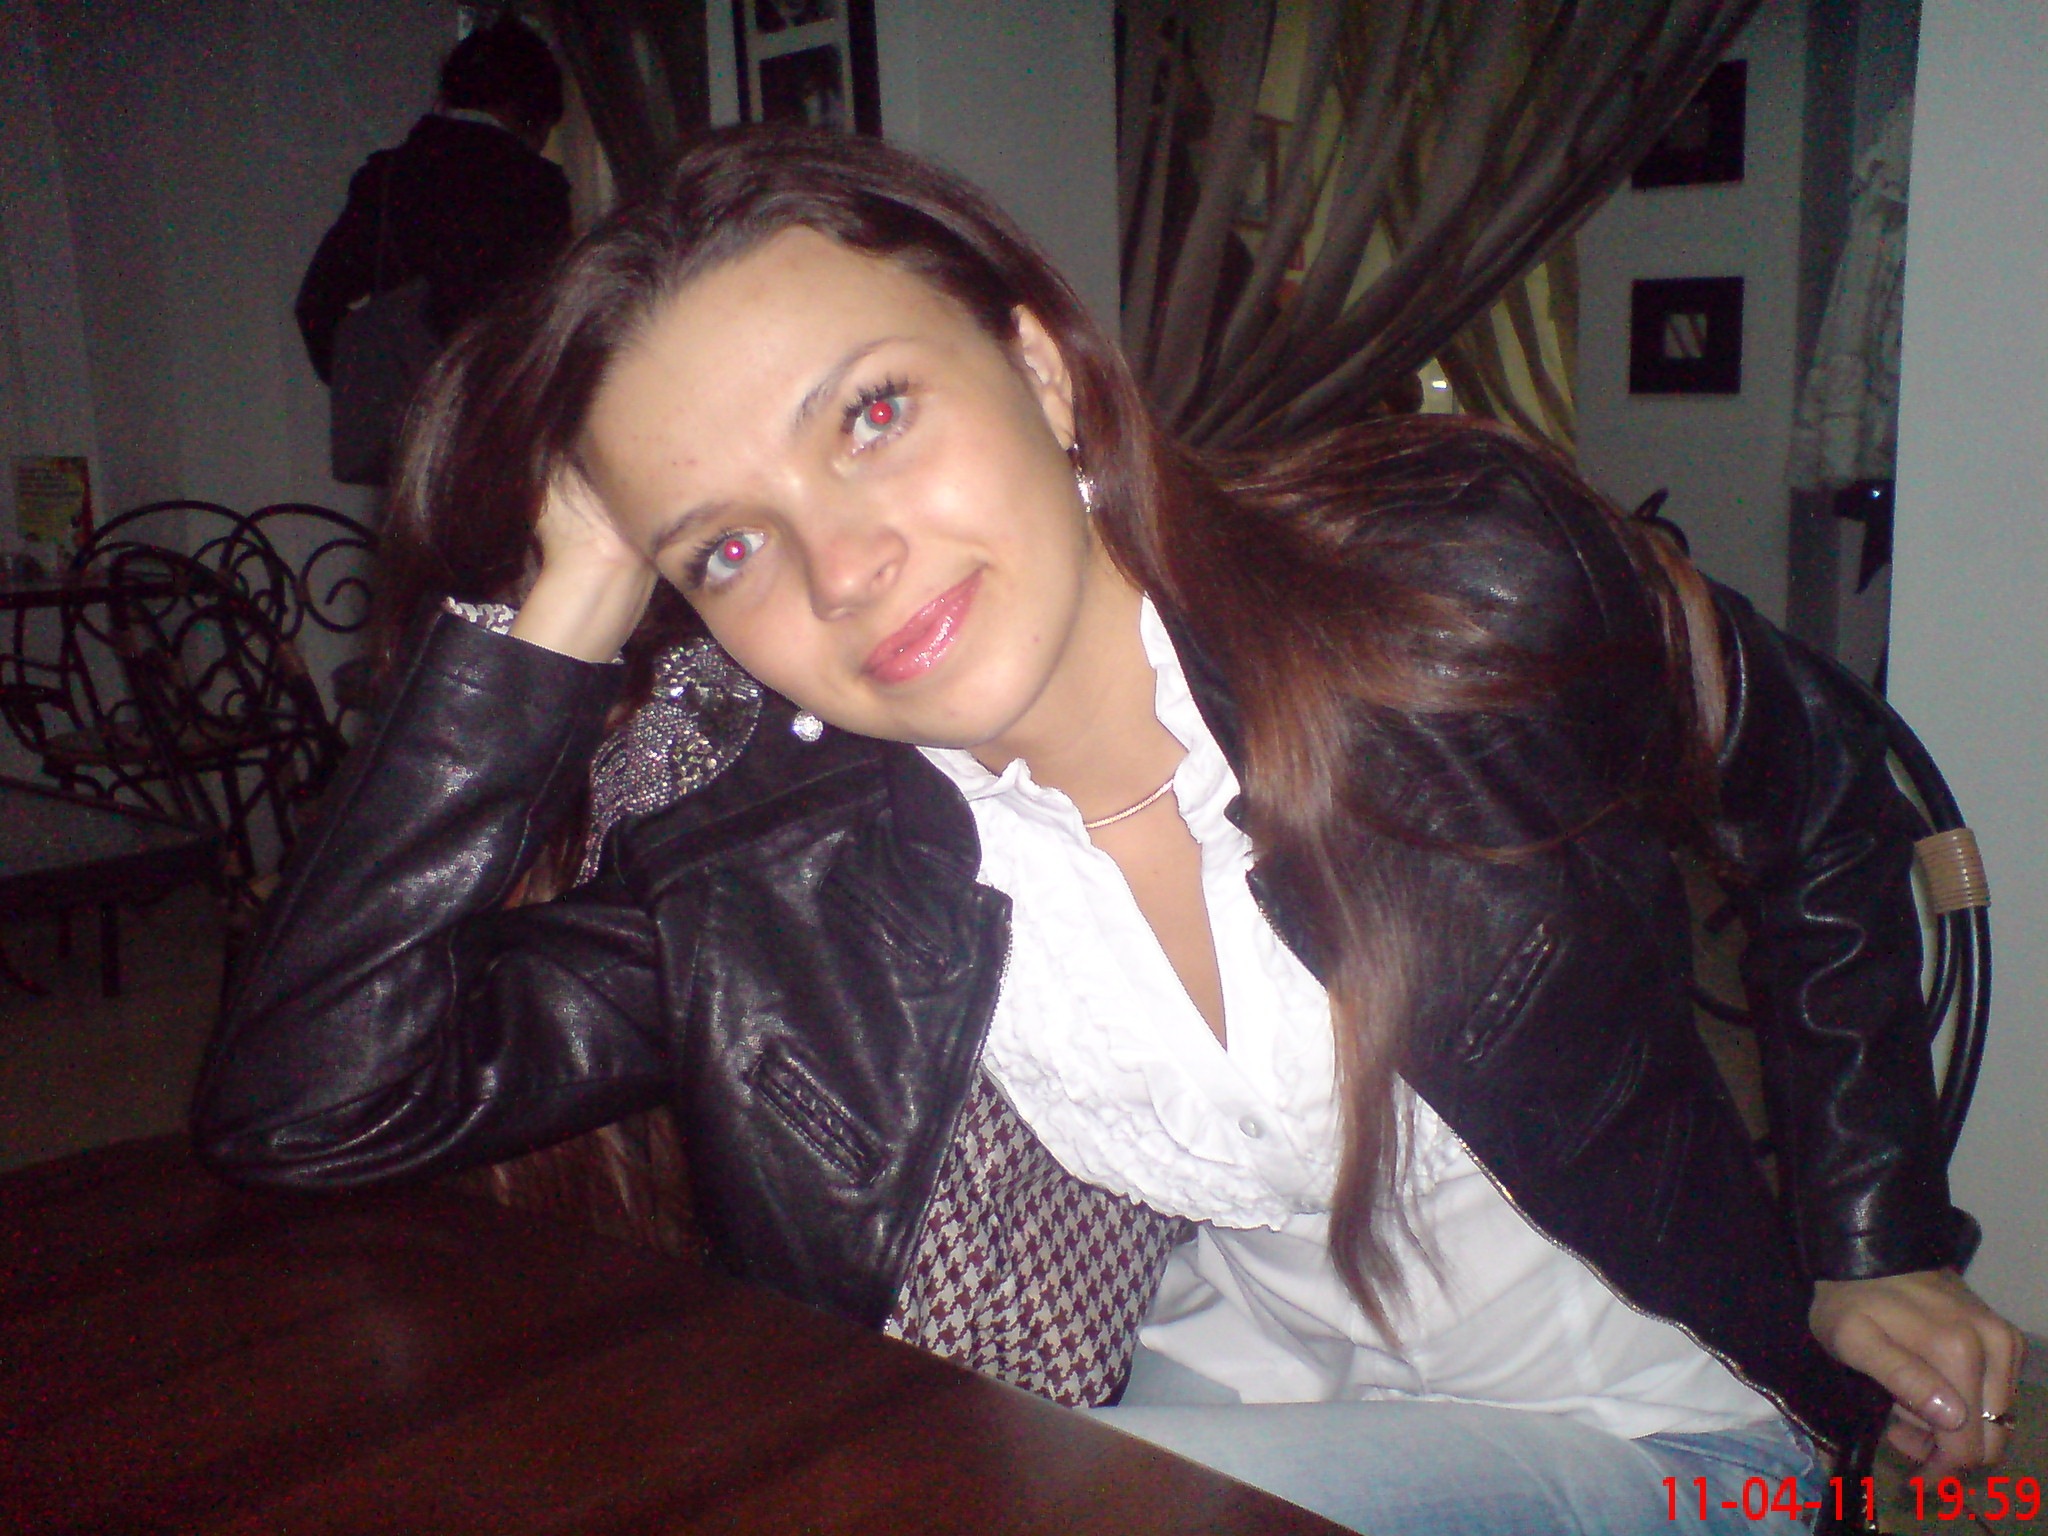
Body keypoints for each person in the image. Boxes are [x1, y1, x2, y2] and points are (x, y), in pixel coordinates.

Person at [196, 127, 2023, 1534]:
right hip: (1236, 1393)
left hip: (1639, 1418)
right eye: (727, 546)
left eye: (872, 415)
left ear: (1045, 375)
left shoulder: (1448, 581)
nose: (844, 564)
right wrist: (569, 599)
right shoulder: (796, 862)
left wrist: (1878, 1234)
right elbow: (314, 1103)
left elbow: (1822, 789)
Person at [294, 18, 571, 476]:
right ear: (529, 110)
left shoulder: (387, 179)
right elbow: (547, 321)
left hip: (413, 441)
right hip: (501, 436)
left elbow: (316, 305)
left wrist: (371, 380)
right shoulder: (535, 186)